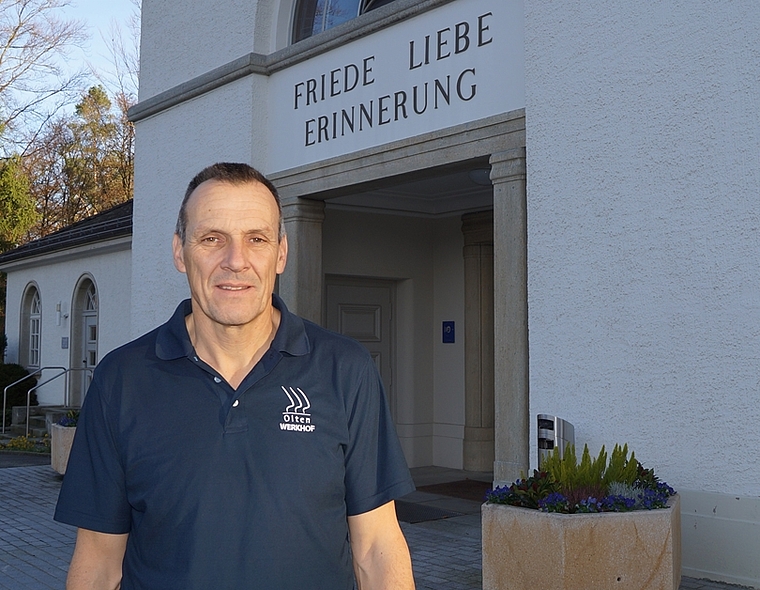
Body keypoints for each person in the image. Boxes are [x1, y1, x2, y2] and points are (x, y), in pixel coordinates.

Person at [55, 162, 416, 589]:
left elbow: (376, 546)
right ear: (179, 252)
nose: (236, 261)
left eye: (256, 239)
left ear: (281, 253)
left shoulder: (345, 370)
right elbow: (98, 561)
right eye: (212, 239)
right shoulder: (121, 379)